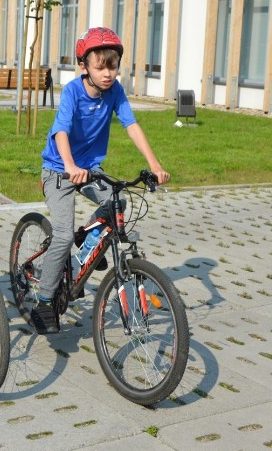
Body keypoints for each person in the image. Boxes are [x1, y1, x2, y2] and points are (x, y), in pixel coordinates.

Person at [30, 27, 170, 335]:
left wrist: (154, 164)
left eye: (112, 66)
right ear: (84, 66)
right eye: (100, 66)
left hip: (91, 170)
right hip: (59, 170)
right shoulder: (72, 92)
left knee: (116, 202)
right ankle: (43, 300)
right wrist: (68, 164)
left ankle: (88, 242)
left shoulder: (115, 91)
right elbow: (61, 131)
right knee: (63, 236)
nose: (108, 73)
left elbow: (130, 124)